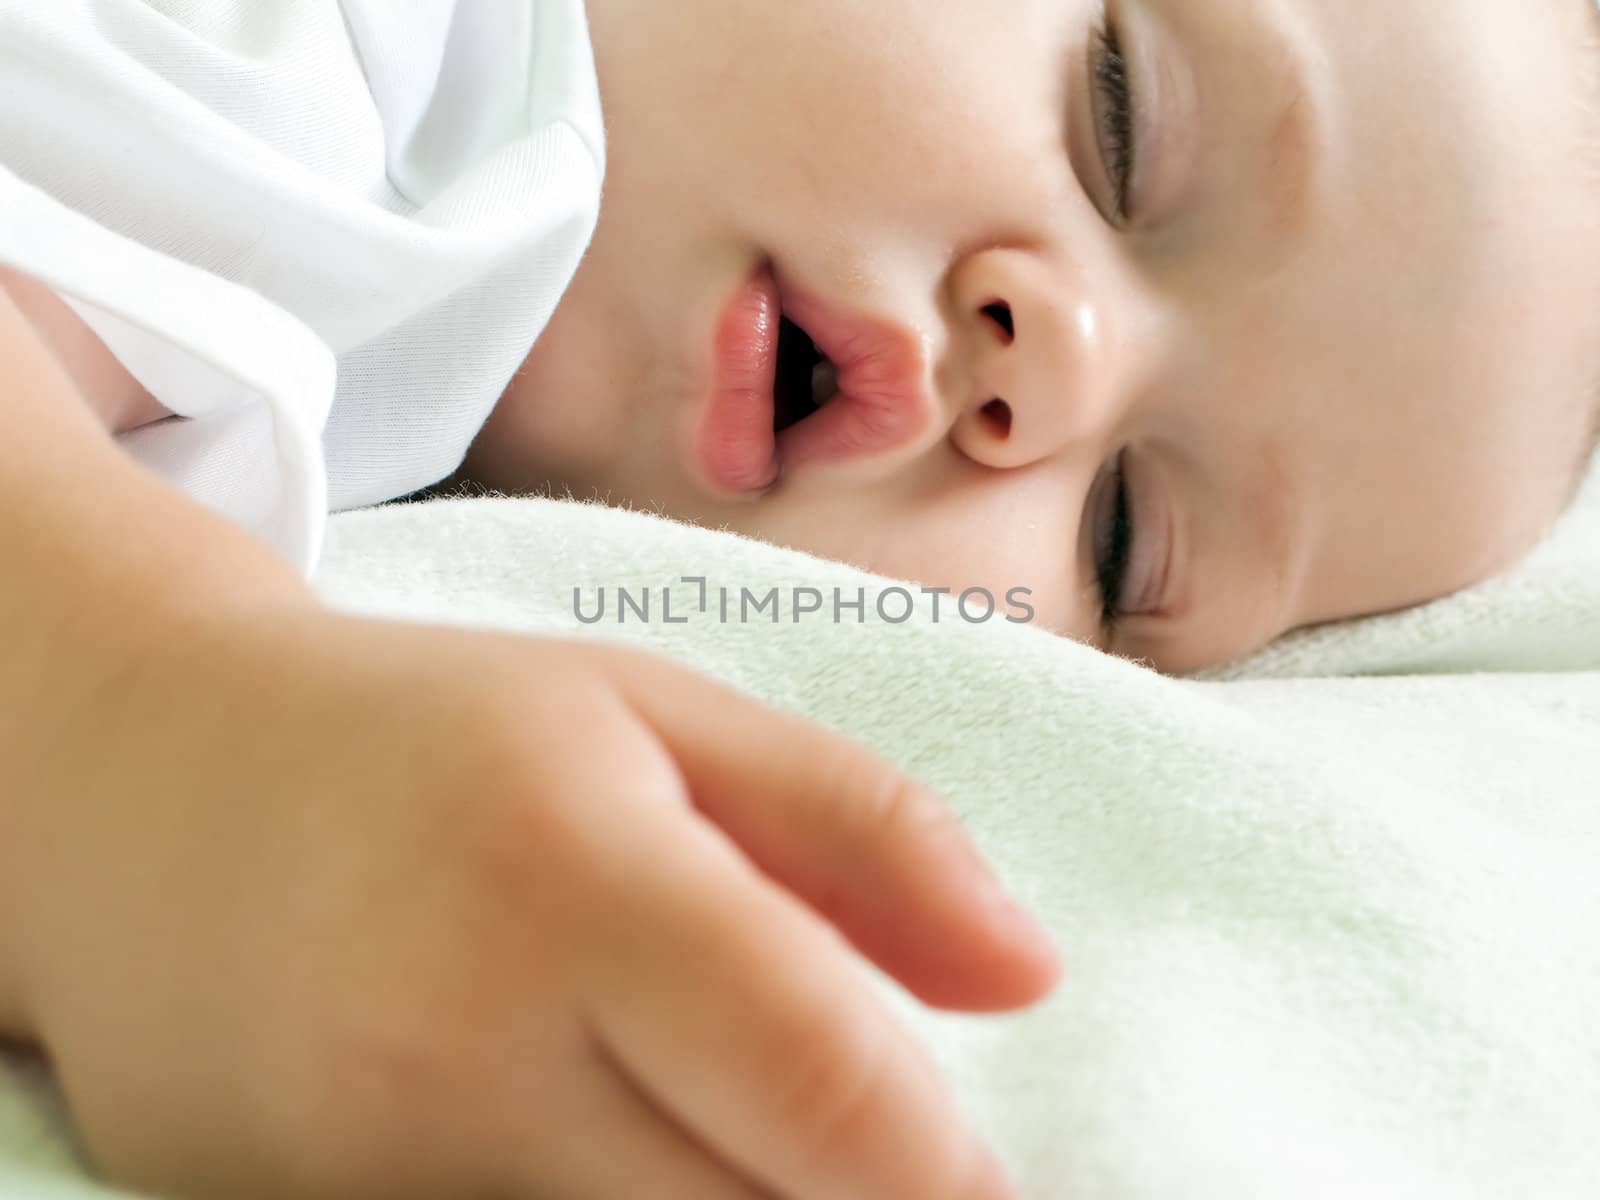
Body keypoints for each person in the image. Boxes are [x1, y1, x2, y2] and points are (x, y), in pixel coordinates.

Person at [1, 0, 1596, 1196]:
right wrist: (135, 727)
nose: (1064, 364)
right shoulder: (387, 59)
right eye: (1122, 118)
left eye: (1125, 537)